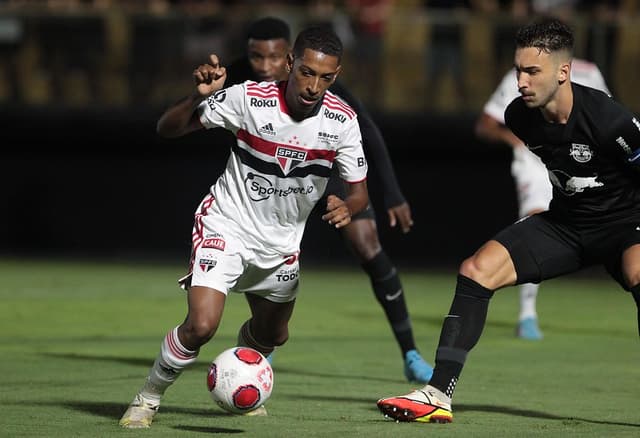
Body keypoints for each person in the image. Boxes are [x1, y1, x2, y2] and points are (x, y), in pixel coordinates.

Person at [377, 17, 640, 424]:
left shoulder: (610, 121)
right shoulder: (519, 116)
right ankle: (437, 394)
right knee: (476, 269)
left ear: (564, 72)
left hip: (626, 225)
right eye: (518, 69)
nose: (520, 80)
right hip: (568, 226)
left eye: (532, 71)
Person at [119, 25, 369, 429]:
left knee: (273, 336)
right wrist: (197, 96)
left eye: (325, 77)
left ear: (336, 76)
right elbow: (168, 128)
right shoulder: (249, 99)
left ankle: (244, 369)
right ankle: (147, 398)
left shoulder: (342, 121)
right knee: (201, 325)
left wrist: (348, 205)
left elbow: (360, 192)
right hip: (227, 225)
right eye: (306, 72)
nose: (313, 85)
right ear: (290, 63)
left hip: (281, 246)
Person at [224, 16, 433, 383]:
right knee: (258, 247)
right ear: (248, 56)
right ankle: (263, 345)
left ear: (289, 56)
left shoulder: (322, 87)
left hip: (328, 174)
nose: (267, 67)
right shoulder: (238, 80)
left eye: (275, 57)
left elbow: (368, 131)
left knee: (368, 247)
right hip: (274, 179)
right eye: (258, 58)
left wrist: (394, 193)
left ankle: (411, 354)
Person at [475, 49, 611, 340]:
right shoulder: (524, 74)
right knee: (537, 220)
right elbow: (485, 123)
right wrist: (517, 141)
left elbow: (607, 119)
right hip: (535, 163)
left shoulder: (589, 72)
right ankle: (527, 314)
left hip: (580, 159)